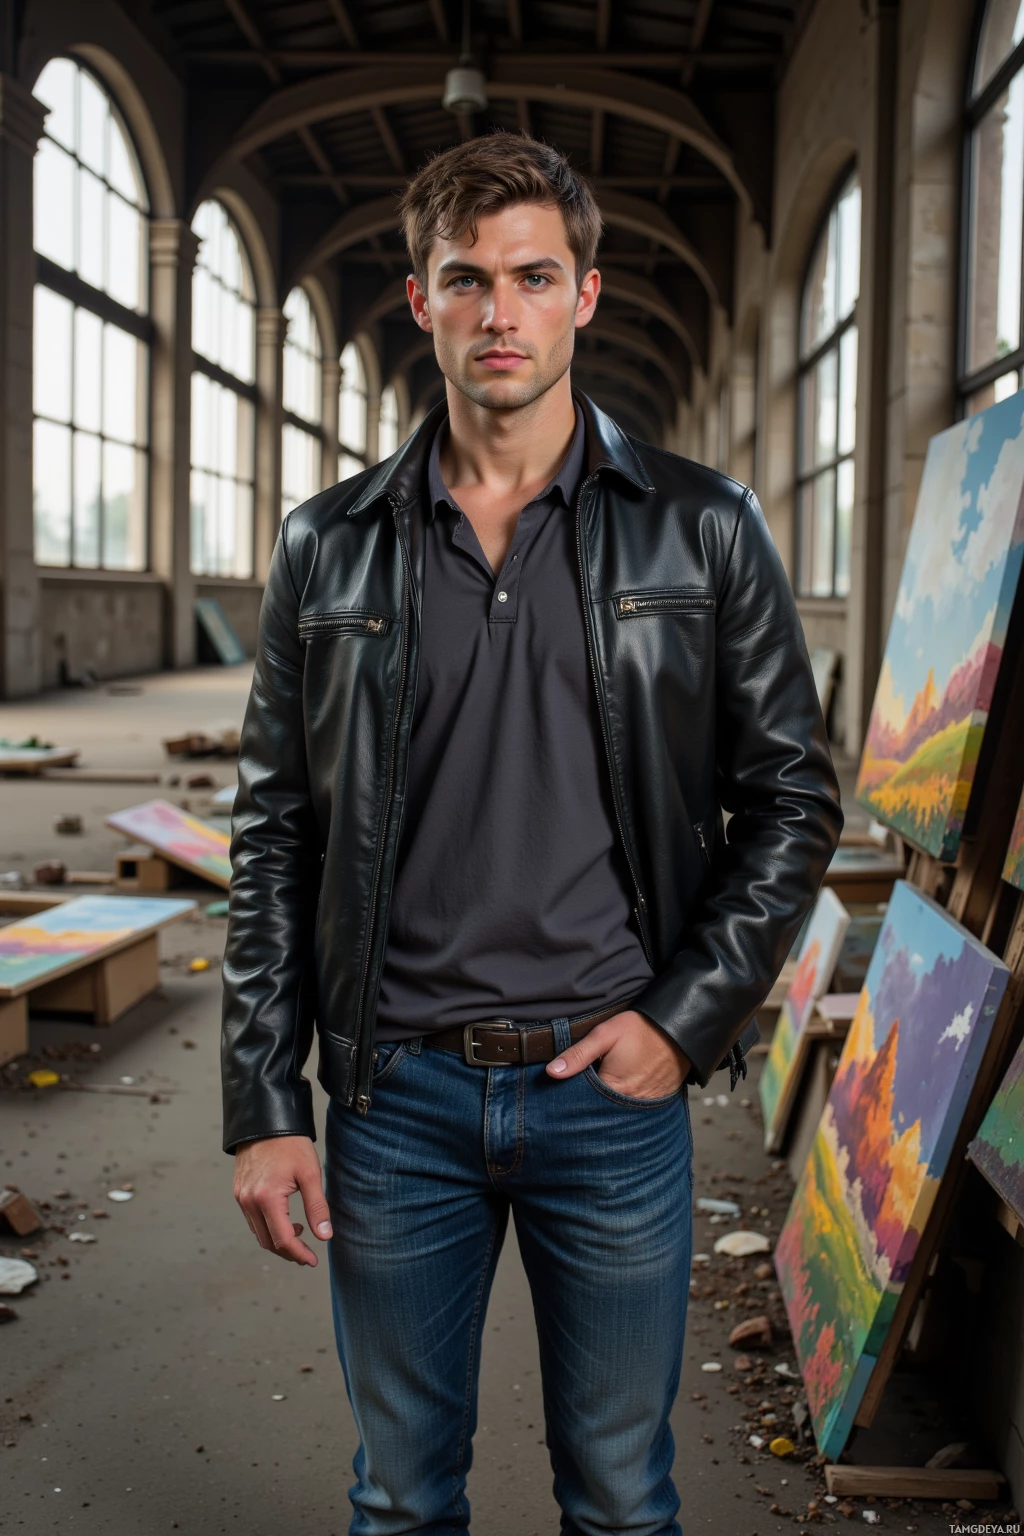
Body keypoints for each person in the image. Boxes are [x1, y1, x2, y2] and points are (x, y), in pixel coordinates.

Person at [222, 133, 843, 1536]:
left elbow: (794, 800)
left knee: (623, 1499)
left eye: (532, 277)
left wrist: (681, 1024)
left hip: (606, 1095)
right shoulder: (327, 547)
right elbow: (272, 834)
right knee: (399, 1498)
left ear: (587, 295)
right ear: (418, 298)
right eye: (467, 280)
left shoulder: (704, 528)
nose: (499, 312)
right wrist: (266, 1106)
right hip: (395, 1104)